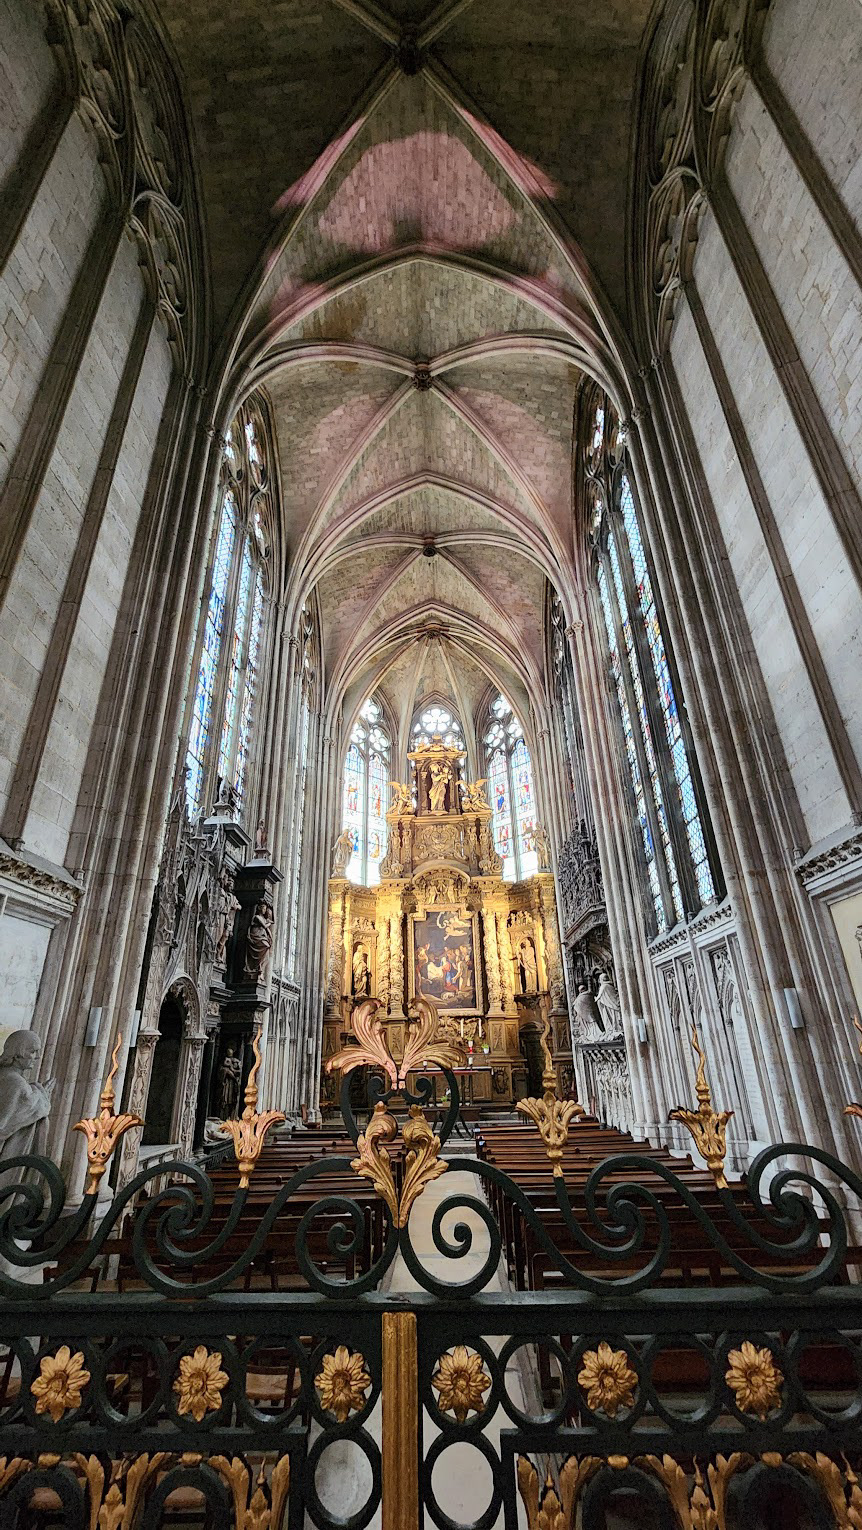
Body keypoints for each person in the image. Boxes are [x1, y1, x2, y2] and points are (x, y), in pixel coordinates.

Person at [0, 1031, 55, 1163]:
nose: (37, 1057)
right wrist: (42, 1095)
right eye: (33, 1052)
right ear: (18, 1053)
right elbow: (6, 1124)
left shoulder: (6, 1076)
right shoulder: (15, 1083)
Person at [217, 1047, 242, 1119]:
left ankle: (231, 1117)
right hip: (226, 1084)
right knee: (224, 1099)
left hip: (232, 1084)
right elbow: (222, 1071)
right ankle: (222, 1116)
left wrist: (233, 1071)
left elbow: (239, 1072)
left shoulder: (236, 1061)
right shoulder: (224, 1062)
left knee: (232, 1101)